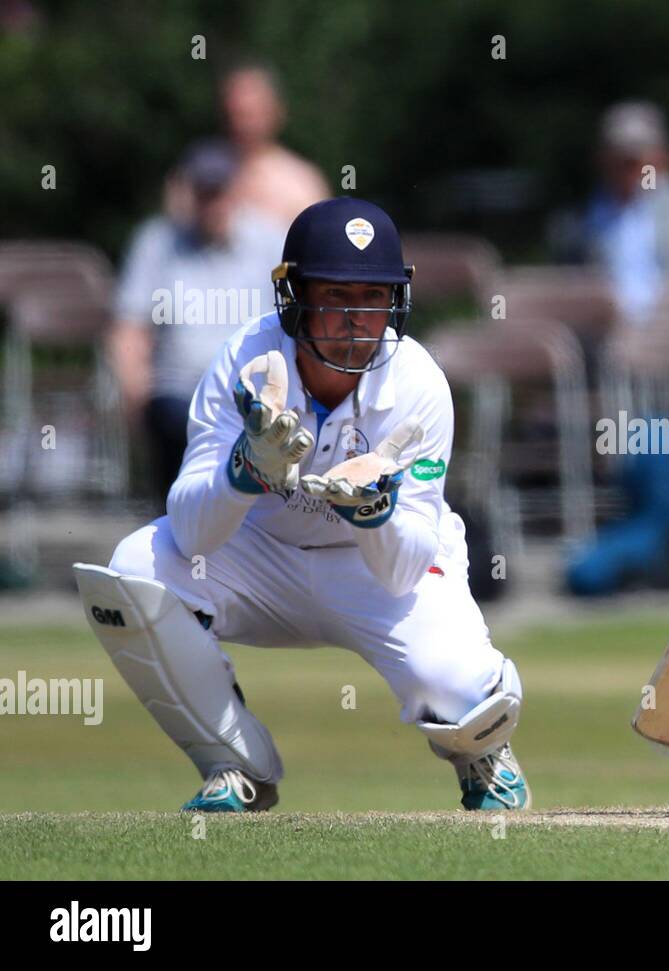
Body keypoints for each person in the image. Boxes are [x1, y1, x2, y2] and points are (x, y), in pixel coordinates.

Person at [76, 198, 530, 813]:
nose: (355, 319)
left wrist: (376, 514)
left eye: (373, 298)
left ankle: (482, 753)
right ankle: (233, 766)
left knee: (461, 690)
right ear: (294, 297)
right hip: (258, 557)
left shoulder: (419, 384)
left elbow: (403, 568)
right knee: (131, 572)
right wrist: (244, 473)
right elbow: (190, 534)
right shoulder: (244, 361)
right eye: (336, 295)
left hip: (374, 571)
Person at [109, 139, 284, 507]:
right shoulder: (157, 244)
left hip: (254, 395)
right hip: (177, 397)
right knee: (173, 425)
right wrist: (132, 390)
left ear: (236, 191)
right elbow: (130, 327)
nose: (212, 202)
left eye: (219, 190)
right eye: (203, 191)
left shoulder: (270, 241)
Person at [552, 101, 669, 321]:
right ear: (601, 159)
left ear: (665, 158)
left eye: (638, 158)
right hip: (609, 335)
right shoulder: (573, 222)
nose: (630, 168)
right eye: (621, 159)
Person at [221, 63, 330, 228]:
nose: (242, 125)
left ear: (276, 112)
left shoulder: (302, 184)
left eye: (250, 114)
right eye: (235, 113)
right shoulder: (195, 176)